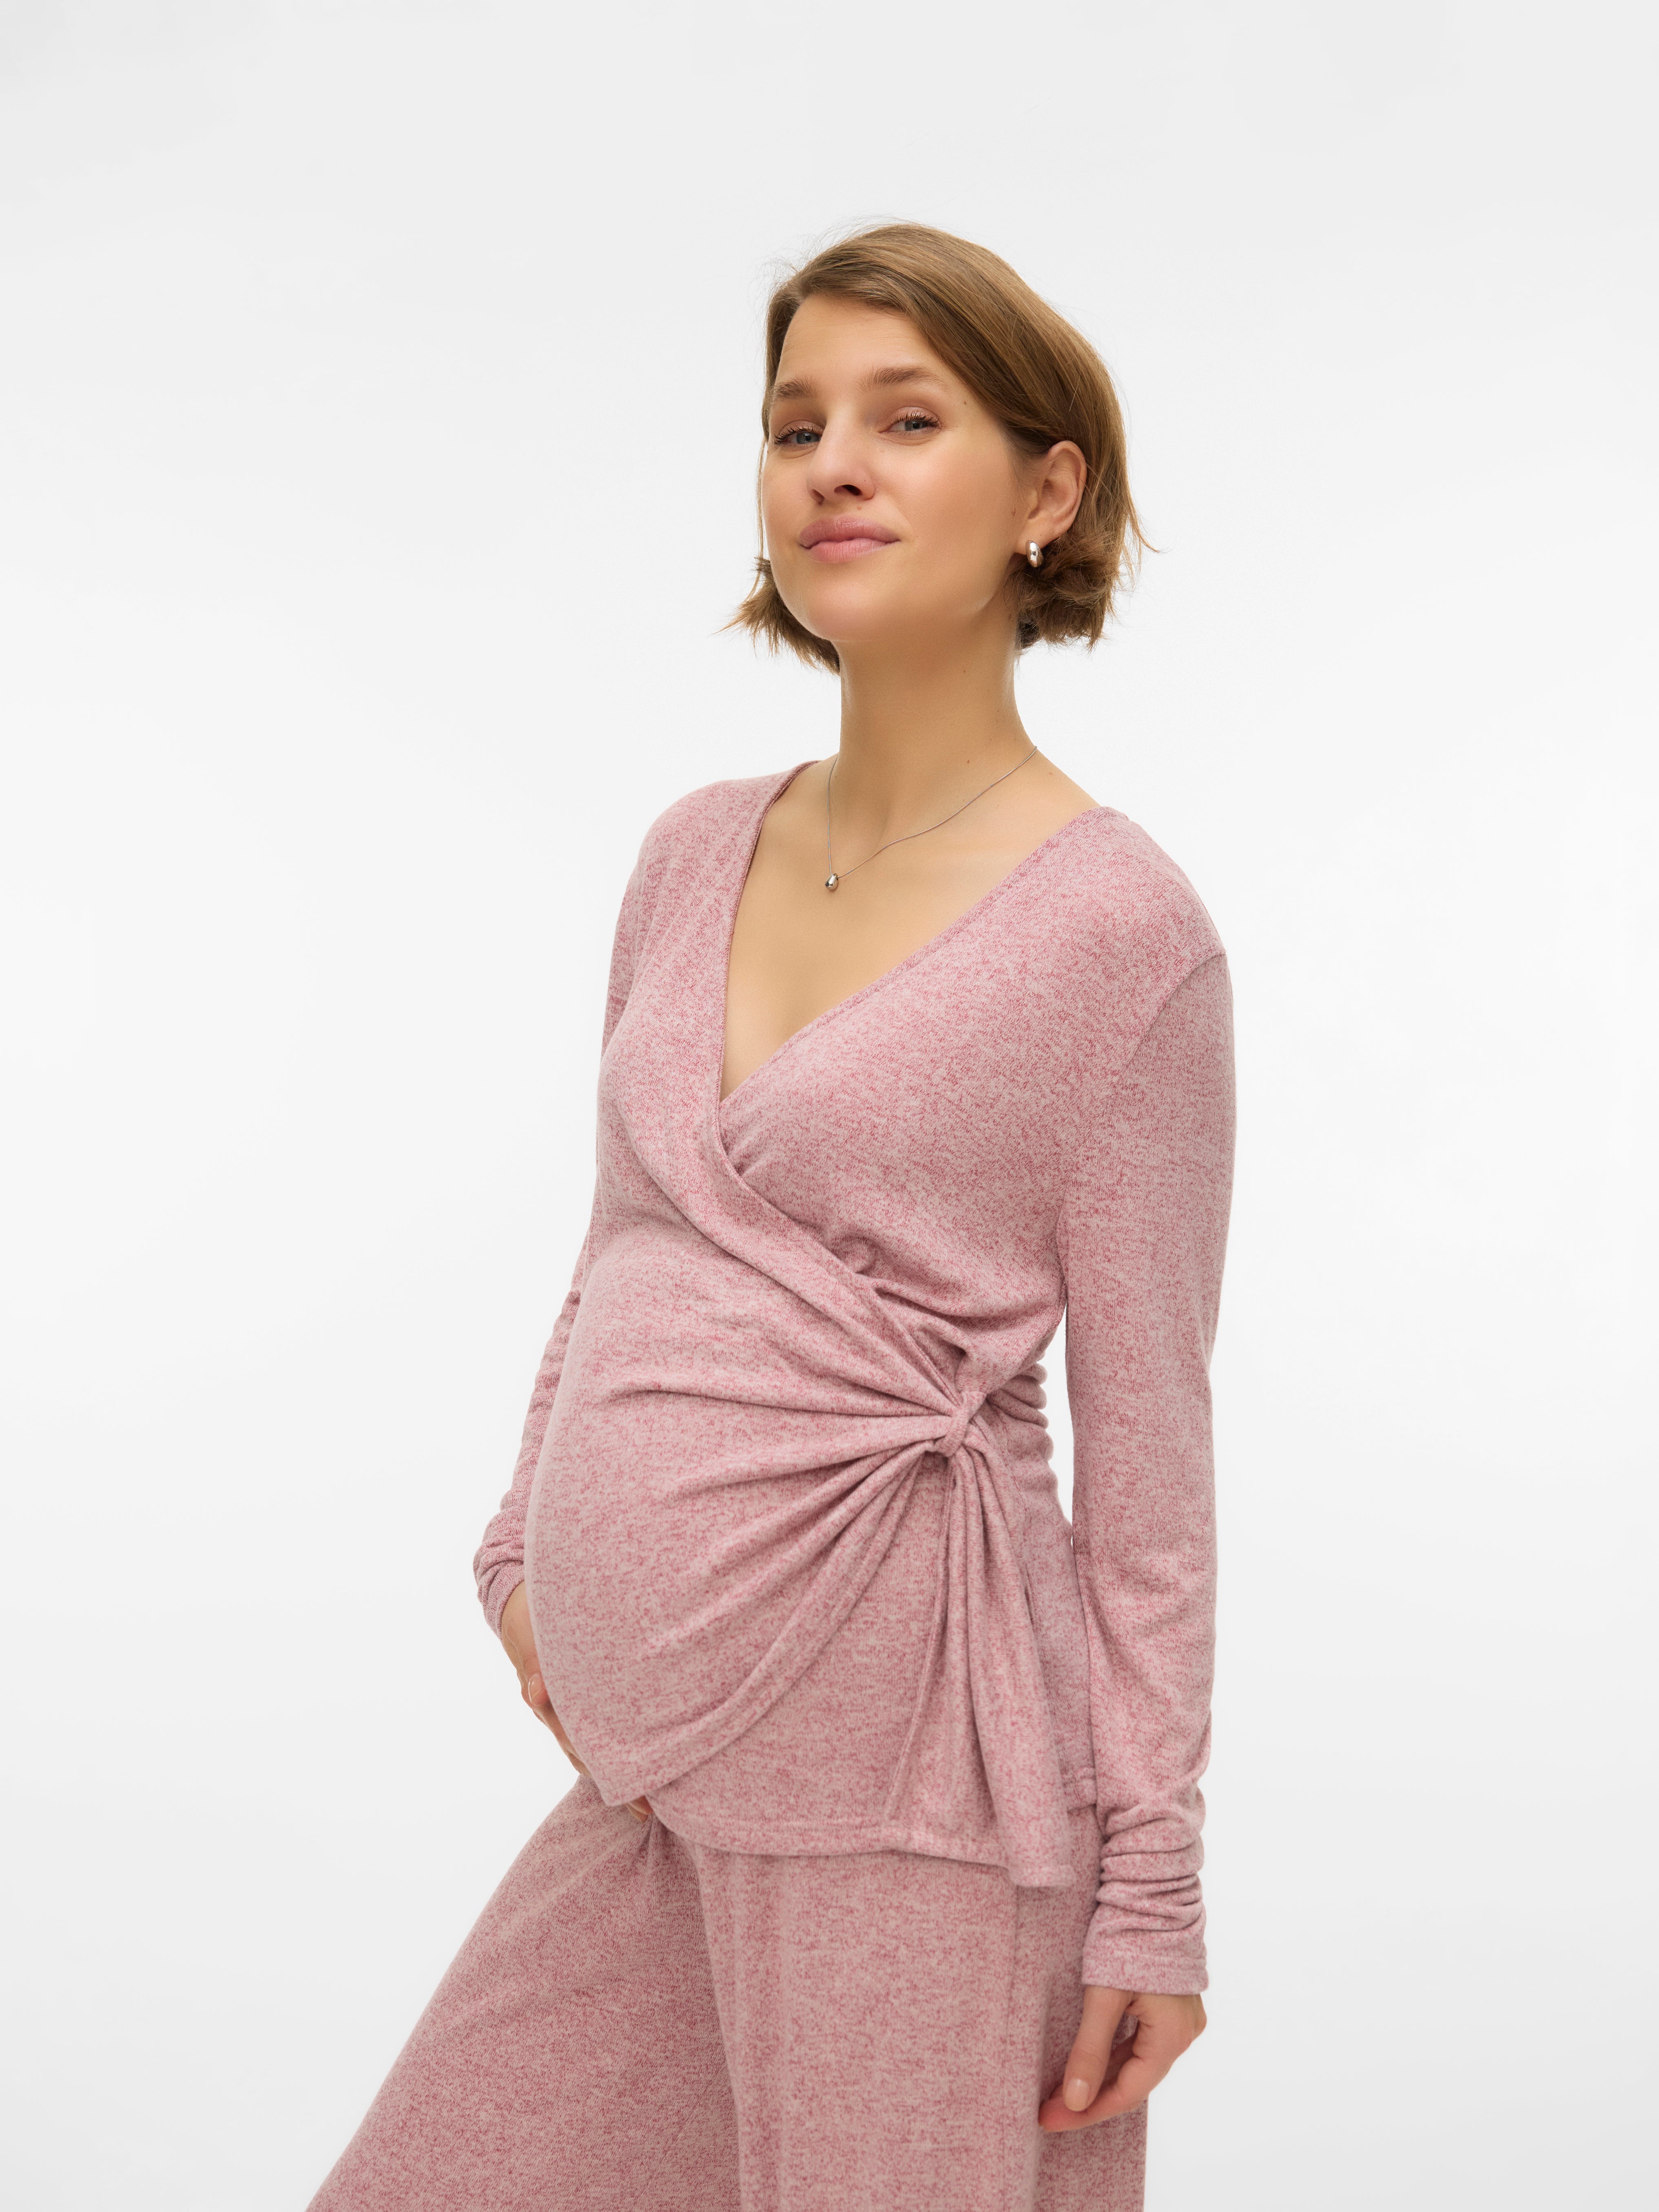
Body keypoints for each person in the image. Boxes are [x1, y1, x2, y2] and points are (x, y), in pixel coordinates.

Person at [309, 222, 1235, 2212]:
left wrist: (1153, 1882)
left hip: (913, 1776)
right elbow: (624, 1248)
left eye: (907, 420)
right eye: (796, 423)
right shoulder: (690, 852)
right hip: (652, 1767)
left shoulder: (1123, 936)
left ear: (1047, 493)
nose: (834, 466)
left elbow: (1154, 1463)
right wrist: (519, 1549)